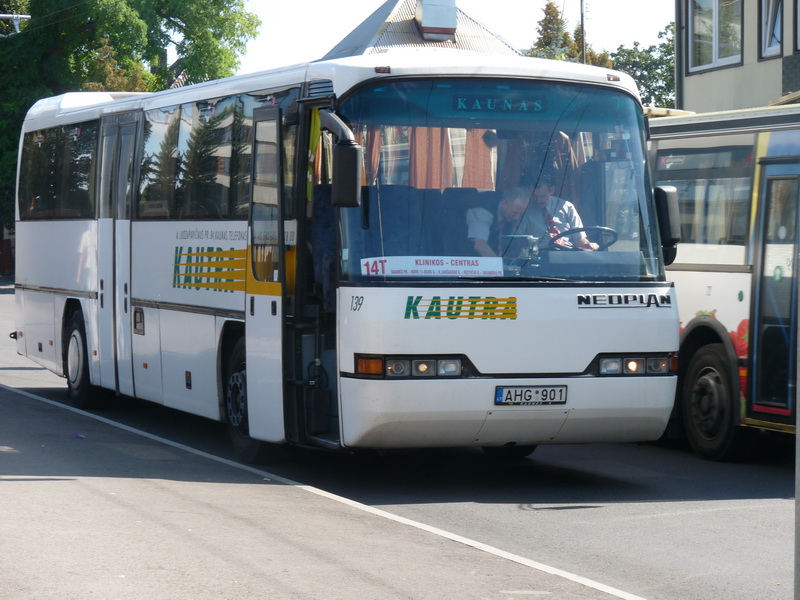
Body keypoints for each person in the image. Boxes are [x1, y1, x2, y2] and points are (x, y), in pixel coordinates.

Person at [466, 175, 597, 258]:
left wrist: (589, 246)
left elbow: (581, 241)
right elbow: (516, 244)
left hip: (569, 256)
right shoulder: (524, 210)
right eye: (534, 196)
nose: (538, 201)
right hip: (540, 258)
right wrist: (499, 269)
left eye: (543, 196)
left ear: (552, 190)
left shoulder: (566, 207)